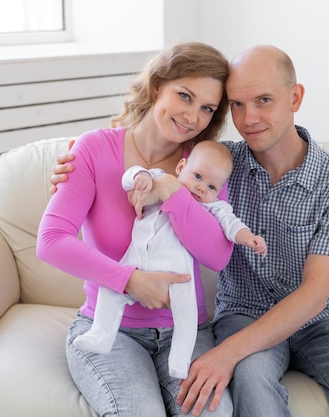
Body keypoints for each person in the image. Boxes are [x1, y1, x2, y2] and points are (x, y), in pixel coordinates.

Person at [51, 44, 329, 417]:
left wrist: (226, 353)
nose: (249, 117)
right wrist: (77, 160)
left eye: (264, 100)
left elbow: (312, 292)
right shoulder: (218, 163)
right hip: (241, 312)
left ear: (295, 97)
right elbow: (145, 155)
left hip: (322, 317)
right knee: (251, 386)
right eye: (237, 104)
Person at [37, 41, 236, 417]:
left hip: (187, 333)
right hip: (110, 332)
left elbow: (218, 254)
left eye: (206, 108)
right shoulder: (94, 149)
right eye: (185, 96)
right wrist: (128, 280)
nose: (193, 116)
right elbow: (51, 242)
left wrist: (173, 192)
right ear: (158, 83)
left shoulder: (202, 165)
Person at [75, 140, 267, 381]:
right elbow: (129, 177)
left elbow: (231, 225)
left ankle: (179, 358)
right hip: (134, 263)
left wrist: (249, 238)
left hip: (177, 276)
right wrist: (140, 176)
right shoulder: (160, 180)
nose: (201, 188)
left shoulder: (213, 208)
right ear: (181, 167)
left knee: (186, 313)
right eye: (197, 176)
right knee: (109, 291)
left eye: (211, 186)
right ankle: (101, 334)